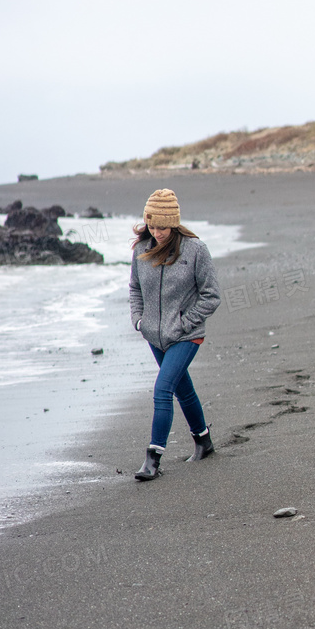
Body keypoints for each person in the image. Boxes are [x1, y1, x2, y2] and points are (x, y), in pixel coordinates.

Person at [129, 188, 221, 480]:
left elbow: (211, 296)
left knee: (163, 389)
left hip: (185, 335)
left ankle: (152, 459)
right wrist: (139, 321)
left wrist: (185, 323)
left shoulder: (195, 250)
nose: (156, 232)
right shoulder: (141, 249)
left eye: (162, 227)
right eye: (151, 225)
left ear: (174, 223)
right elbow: (135, 289)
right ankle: (203, 441)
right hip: (154, 336)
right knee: (182, 389)